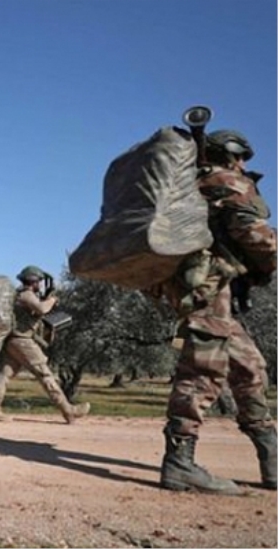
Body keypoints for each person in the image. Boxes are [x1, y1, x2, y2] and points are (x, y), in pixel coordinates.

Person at [153, 129, 276, 494]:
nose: (243, 165)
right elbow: (254, 236)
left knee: (249, 368)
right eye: (241, 158)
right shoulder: (224, 181)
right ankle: (179, 464)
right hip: (208, 291)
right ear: (231, 155)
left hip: (207, 291)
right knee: (201, 373)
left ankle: (271, 457)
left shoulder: (189, 186)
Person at [0, 265, 91, 424]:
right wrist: (52, 300)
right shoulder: (26, 295)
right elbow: (41, 309)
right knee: (45, 374)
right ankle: (68, 410)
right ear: (33, 281)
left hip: (13, 340)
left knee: (6, 374)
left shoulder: (20, 295)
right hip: (23, 341)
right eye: (39, 281)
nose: (40, 284)